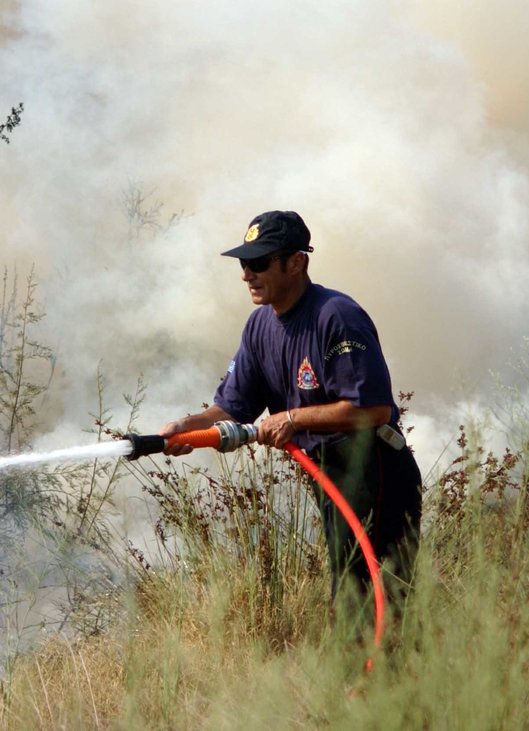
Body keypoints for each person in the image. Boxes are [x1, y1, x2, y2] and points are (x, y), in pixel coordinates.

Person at [159, 210, 422, 598]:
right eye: (245, 263)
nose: (246, 274)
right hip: (330, 475)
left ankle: (384, 658)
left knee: (374, 600)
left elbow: (374, 409)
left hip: (376, 472)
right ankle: (368, 658)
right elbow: (234, 407)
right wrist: (190, 425)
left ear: (296, 262)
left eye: (259, 263)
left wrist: (293, 419)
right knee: (351, 595)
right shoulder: (259, 326)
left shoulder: (337, 317)